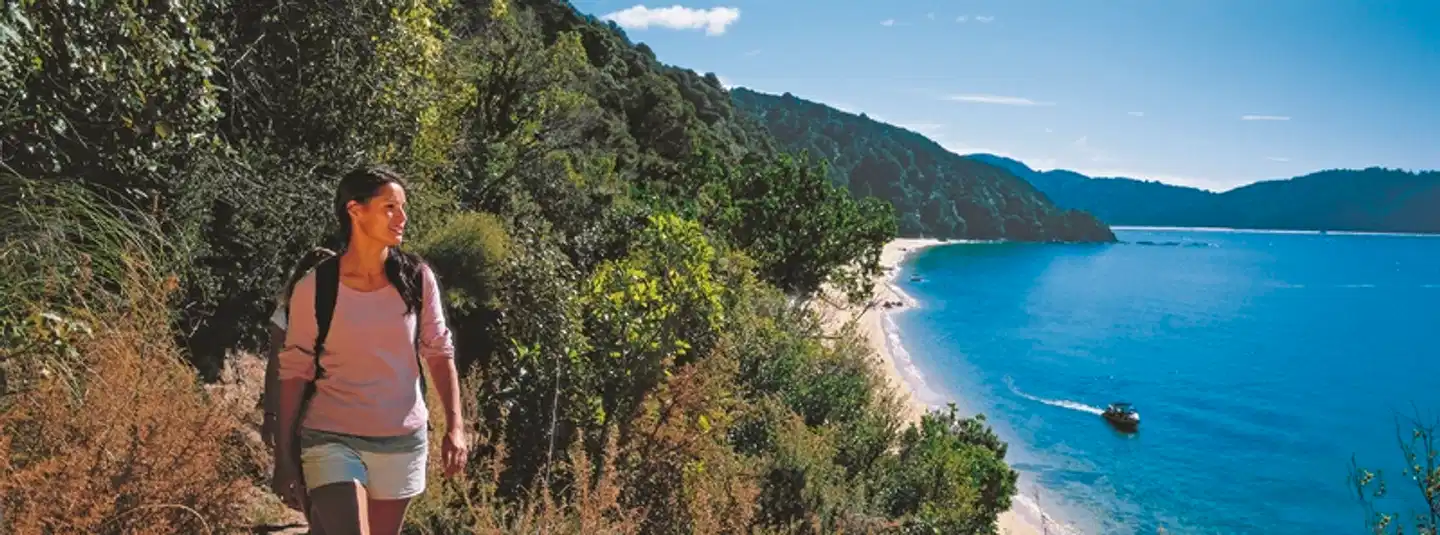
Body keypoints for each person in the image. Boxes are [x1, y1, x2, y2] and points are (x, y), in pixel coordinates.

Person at [271, 165, 468, 535]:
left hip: (402, 441)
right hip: (331, 437)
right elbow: (295, 371)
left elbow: (439, 353)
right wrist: (283, 455)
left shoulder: (416, 278)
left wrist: (455, 426)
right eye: (390, 207)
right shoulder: (316, 287)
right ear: (355, 210)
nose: (402, 217)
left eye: (403, 207)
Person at [261, 247, 337, 448]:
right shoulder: (286, 314)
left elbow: (274, 367)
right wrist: (270, 414)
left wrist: (270, 415)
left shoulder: (286, 312)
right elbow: (275, 367)